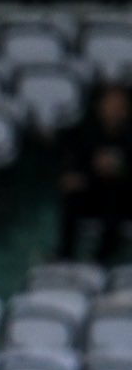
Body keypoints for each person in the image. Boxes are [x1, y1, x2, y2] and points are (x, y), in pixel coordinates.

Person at [57, 82, 132, 262]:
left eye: (119, 105)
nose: (114, 110)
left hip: (124, 198)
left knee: (113, 193)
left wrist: (119, 169)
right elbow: (73, 170)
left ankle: (101, 258)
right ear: (100, 106)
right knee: (73, 194)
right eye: (110, 104)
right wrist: (89, 173)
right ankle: (65, 255)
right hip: (92, 193)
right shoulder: (86, 134)